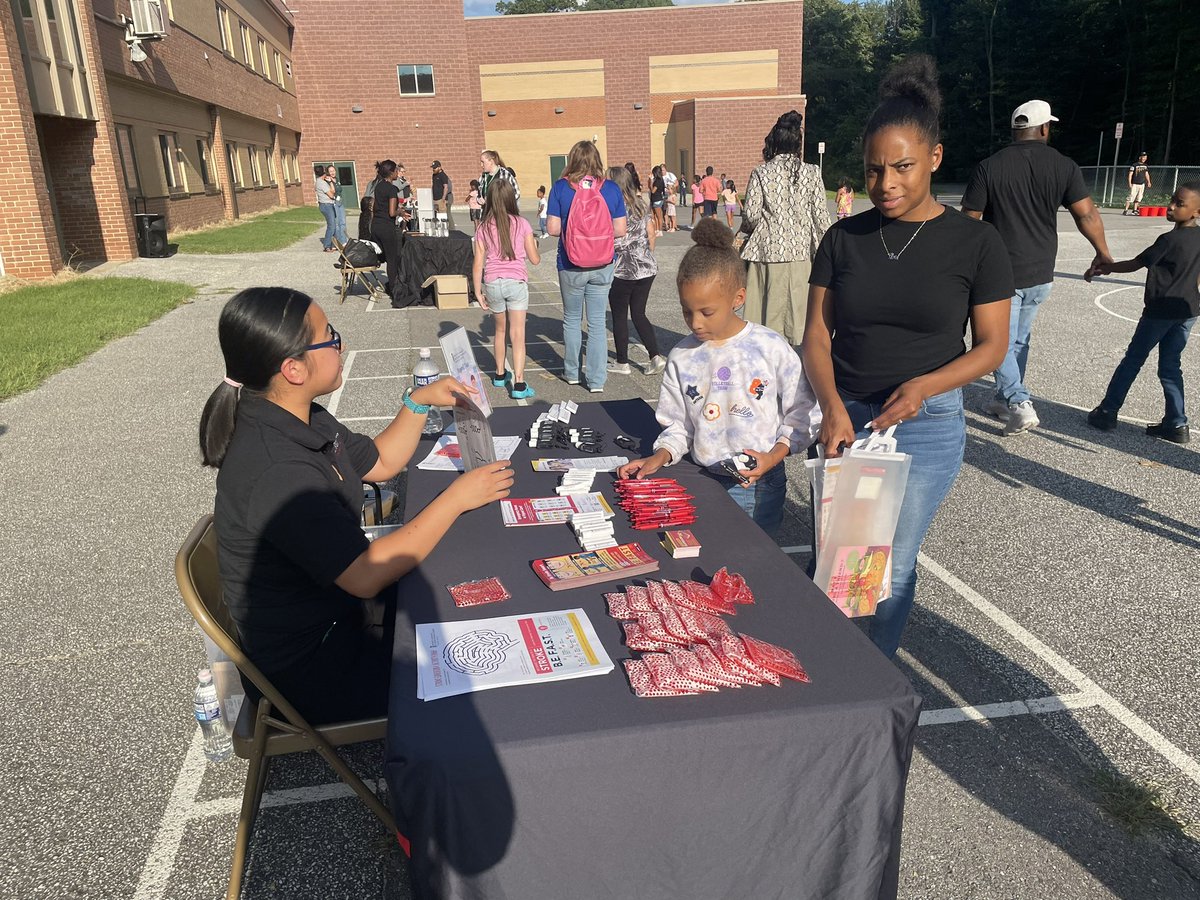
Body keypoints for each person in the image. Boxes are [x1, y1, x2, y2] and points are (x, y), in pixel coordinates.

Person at [200, 288, 513, 724]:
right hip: (316, 670)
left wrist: (417, 401)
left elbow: (380, 462)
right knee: (486, 665)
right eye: (329, 337)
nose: (339, 344)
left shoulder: (298, 413)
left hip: (338, 619)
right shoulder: (279, 470)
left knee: (470, 593)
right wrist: (456, 498)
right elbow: (365, 576)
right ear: (292, 368)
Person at [803, 55, 1014, 658]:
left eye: (902, 167)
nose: (886, 184)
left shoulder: (975, 242)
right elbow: (817, 336)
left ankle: (877, 673)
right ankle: (839, 671)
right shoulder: (844, 237)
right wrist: (832, 408)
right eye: (874, 171)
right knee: (840, 558)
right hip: (848, 411)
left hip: (927, 424)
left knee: (890, 567)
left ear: (935, 159)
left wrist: (924, 386)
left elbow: (993, 347)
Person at [618, 219, 820, 538]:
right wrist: (660, 456)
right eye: (687, 311)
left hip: (758, 484)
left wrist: (774, 456)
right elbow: (678, 425)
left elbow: (804, 413)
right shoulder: (683, 356)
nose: (695, 323)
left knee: (757, 563)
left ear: (738, 298)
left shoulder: (770, 347)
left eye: (706, 312)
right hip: (702, 478)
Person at [962, 98, 1112, 436]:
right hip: (1042, 270)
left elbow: (969, 220)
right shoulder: (1064, 166)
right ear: (1045, 128)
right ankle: (1008, 399)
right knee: (1016, 342)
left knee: (997, 340)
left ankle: (1016, 402)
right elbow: (1086, 213)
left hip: (999, 271)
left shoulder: (990, 166)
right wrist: (1103, 253)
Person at [1086, 183, 1200, 444]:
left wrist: (1106, 268)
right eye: (1172, 200)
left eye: (1179, 204)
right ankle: (1176, 423)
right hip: (1187, 311)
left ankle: (1107, 411)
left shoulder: (1169, 240)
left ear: (1196, 211)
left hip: (1159, 312)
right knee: (1170, 366)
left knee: (1133, 360)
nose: (1171, 206)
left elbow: (1137, 263)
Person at [740, 110, 832, 346]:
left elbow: (751, 215)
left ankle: (767, 369)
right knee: (798, 319)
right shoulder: (812, 172)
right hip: (801, 254)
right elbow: (821, 218)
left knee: (764, 320)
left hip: (767, 252)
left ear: (774, 141)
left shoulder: (761, 172)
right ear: (797, 143)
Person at [546, 140, 628, 393]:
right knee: (596, 323)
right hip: (602, 263)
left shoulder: (561, 188)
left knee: (572, 320)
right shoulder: (611, 189)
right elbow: (621, 229)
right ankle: (596, 380)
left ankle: (571, 372)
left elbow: (553, 229)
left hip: (570, 263)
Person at [472, 178, 541, 400]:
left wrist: (477, 291)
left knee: (499, 330)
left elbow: (478, 262)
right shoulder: (522, 223)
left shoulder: (483, 227)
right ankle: (519, 383)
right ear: (512, 198)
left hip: (492, 281)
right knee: (518, 334)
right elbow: (535, 259)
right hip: (516, 281)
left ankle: (500, 374)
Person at [605, 166, 666, 377]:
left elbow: (614, 238)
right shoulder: (641, 203)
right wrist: (646, 253)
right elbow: (651, 233)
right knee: (639, 313)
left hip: (624, 268)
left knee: (620, 315)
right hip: (647, 266)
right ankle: (655, 356)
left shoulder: (614, 206)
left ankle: (622, 362)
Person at [371, 160, 404, 295]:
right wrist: (400, 212)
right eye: (396, 170)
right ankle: (394, 287)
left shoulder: (378, 186)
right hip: (386, 227)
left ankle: (392, 284)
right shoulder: (392, 189)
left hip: (376, 226)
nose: (397, 172)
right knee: (392, 259)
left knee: (386, 256)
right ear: (391, 173)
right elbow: (391, 212)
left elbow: (376, 206)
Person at [314, 164, 347, 252]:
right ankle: (327, 245)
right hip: (326, 206)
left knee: (334, 225)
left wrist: (331, 183)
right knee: (332, 226)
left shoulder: (324, 181)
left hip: (329, 204)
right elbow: (332, 195)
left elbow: (333, 191)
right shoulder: (321, 182)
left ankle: (337, 244)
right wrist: (331, 186)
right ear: (323, 172)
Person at [431, 160, 454, 231]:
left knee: (446, 214)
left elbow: (446, 187)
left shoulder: (443, 175)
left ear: (440, 167)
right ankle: (439, 229)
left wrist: (443, 198)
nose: (433, 169)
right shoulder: (434, 175)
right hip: (436, 198)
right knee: (437, 215)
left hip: (442, 198)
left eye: (435, 168)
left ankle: (451, 229)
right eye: (433, 168)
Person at [649, 165, 666, 236]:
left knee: (659, 216)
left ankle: (660, 230)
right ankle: (656, 229)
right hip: (655, 199)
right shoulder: (659, 180)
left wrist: (651, 181)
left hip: (657, 199)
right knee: (654, 216)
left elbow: (653, 190)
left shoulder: (658, 181)